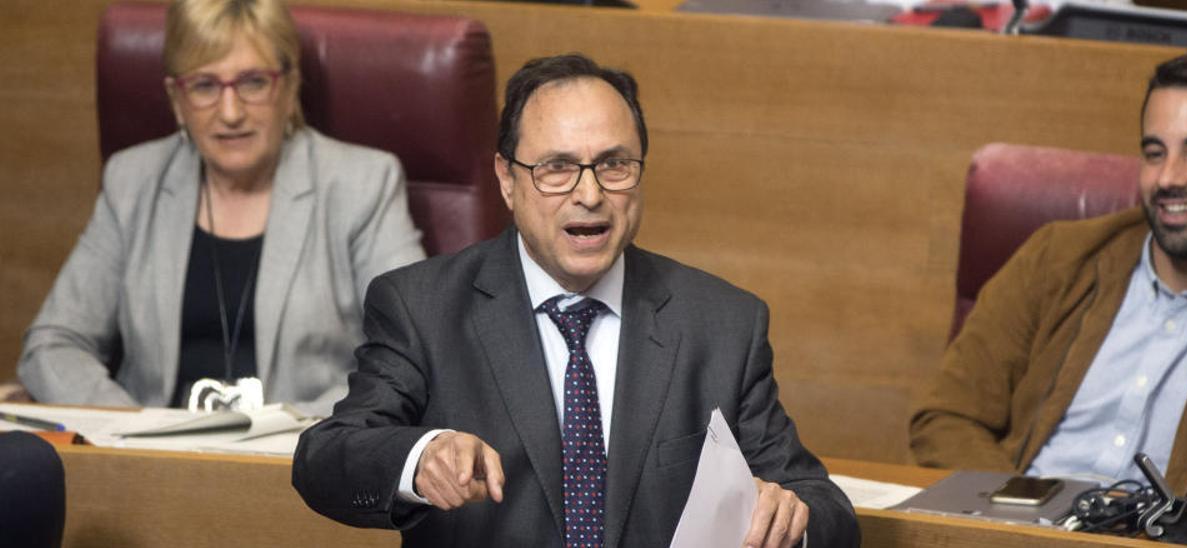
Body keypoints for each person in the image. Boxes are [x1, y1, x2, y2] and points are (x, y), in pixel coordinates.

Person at [292, 54, 859, 547]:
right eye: (556, 169)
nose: (589, 195)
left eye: (614, 165)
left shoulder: (721, 323)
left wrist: (795, 520)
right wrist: (418, 458)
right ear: (508, 180)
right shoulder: (423, 308)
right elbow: (326, 458)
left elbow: (822, 504)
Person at [910, 47, 1187, 505]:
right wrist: (1029, 513)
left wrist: (1134, 527)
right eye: (1154, 152)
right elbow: (946, 416)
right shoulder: (1057, 258)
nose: (1168, 177)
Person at [17, 0, 424, 416]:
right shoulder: (133, 182)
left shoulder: (363, 184)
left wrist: (296, 437)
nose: (230, 113)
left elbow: (409, 352)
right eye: (205, 86)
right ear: (177, 98)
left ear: (288, 86)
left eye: (252, 82)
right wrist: (134, 431)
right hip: (152, 459)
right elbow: (54, 344)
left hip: (299, 459)